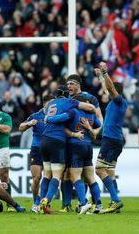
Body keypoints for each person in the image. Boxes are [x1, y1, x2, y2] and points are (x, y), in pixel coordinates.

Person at [39, 85, 95, 214]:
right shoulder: (69, 102)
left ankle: (40, 203)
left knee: (47, 174)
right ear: (66, 94)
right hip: (56, 140)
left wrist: (48, 118)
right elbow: (89, 108)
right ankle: (46, 200)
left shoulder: (50, 104)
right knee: (57, 175)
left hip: (44, 140)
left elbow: (47, 116)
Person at [61, 74, 103, 212]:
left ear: (79, 84)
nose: (69, 87)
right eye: (67, 85)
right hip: (88, 145)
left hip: (74, 144)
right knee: (89, 176)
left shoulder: (73, 108)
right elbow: (98, 122)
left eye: (71, 84)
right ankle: (98, 205)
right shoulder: (89, 111)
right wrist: (93, 131)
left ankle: (81, 203)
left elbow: (62, 123)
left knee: (73, 175)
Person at [94, 62, 128, 213]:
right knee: (110, 171)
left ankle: (115, 200)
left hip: (111, 140)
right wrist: (101, 76)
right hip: (114, 139)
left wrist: (105, 72)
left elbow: (110, 88)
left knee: (99, 169)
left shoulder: (119, 101)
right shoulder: (114, 104)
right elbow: (108, 88)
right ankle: (116, 206)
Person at [18, 94, 55, 213]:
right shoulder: (35, 116)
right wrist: (29, 124)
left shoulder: (56, 116)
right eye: (52, 103)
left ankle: (45, 202)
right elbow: (20, 127)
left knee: (49, 178)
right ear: (45, 104)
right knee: (36, 178)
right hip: (37, 149)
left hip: (51, 150)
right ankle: (35, 201)